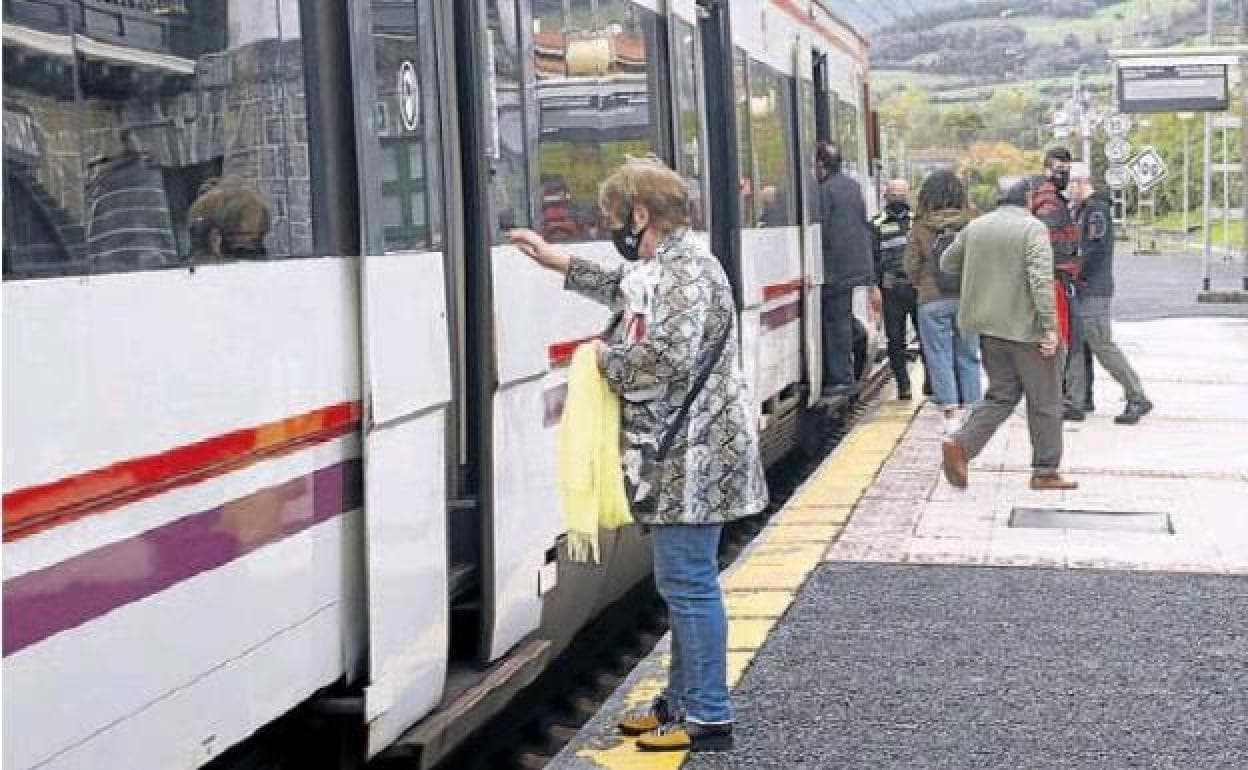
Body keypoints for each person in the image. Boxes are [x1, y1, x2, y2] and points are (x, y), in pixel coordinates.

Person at [508, 157, 767, 753]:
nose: (611, 229)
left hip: (694, 457)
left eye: (613, 217)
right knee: (684, 583)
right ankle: (682, 701)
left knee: (690, 584)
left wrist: (604, 361)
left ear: (641, 213)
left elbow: (667, 360)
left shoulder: (684, 272)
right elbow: (627, 291)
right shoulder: (671, 265)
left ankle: (707, 715)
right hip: (687, 454)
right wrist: (560, 262)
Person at [939, 177, 1078, 491]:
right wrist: (1049, 328)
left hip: (988, 328)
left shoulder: (976, 227)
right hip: (1027, 330)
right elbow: (1041, 280)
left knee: (1001, 395)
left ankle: (961, 445)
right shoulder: (1032, 229)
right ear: (1028, 199)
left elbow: (948, 263)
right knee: (1046, 400)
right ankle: (1045, 470)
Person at [1067, 164, 1154, 425]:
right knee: (1077, 345)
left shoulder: (1096, 212)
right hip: (1083, 288)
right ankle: (1075, 399)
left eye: (1071, 183)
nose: (1068, 189)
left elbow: (1092, 251)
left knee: (1101, 344)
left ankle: (1136, 395)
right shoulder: (1084, 210)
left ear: (1082, 182)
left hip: (1093, 289)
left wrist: (1073, 271)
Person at [904, 170, 980, 434]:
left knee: (939, 356)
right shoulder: (973, 222)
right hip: (967, 297)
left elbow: (910, 265)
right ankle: (972, 409)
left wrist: (920, 284)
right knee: (969, 354)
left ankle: (950, 413)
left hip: (932, 299)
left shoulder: (921, 226)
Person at [814, 141, 876, 398]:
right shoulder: (852, 186)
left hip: (835, 267)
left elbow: (823, 229)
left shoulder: (824, 191)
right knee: (841, 317)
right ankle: (858, 347)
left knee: (835, 321)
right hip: (853, 264)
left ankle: (842, 378)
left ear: (820, 165)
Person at [1029, 146, 1085, 420]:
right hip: (1056, 279)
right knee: (1060, 339)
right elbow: (1047, 242)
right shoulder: (1049, 202)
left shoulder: (1049, 198)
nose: (1062, 174)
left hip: (1058, 277)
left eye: (1066, 169)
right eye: (1058, 168)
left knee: (1064, 338)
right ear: (1047, 169)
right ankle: (1060, 398)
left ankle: (1064, 397)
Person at [872, 178, 927, 400]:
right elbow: (872, 259)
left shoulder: (919, 222)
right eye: (893, 194)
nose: (898, 198)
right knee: (895, 340)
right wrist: (874, 287)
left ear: (908, 195)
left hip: (918, 287)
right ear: (885, 196)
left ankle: (930, 381)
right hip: (892, 288)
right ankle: (903, 385)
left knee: (926, 337)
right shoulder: (876, 224)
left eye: (901, 194)